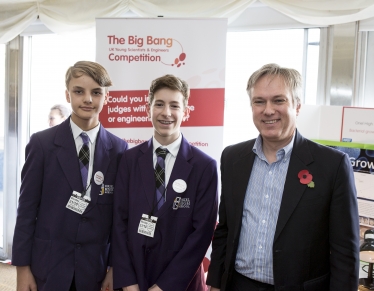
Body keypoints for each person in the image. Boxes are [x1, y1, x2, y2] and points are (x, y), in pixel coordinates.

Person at [206, 63, 359, 291]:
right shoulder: (232, 158)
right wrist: (216, 284)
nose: (268, 110)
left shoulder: (332, 165)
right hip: (238, 285)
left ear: (297, 106)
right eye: (259, 101)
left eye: (278, 100)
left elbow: (344, 251)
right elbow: (225, 230)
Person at [12, 61, 128, 291]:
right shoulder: (42, 144)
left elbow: (119, 218)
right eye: (79, 91)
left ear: (106, 97)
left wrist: (115, 268)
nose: (88, 99)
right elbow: (26, 210)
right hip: (48, 265)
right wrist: (22, 268)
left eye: (96, 92)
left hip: (95, 268)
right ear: (67, 94)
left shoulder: (119, 150)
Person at [112, 74, 218, 291]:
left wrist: (164, 287)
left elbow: (202, 234)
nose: (166, 113)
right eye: (159, 104)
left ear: (186, 112)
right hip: (136, 281)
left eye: (174, 106)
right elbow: (118, 223)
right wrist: (127, 281)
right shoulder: (128, 161)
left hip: (183, 283)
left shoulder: (204, 166)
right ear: (148, 108)